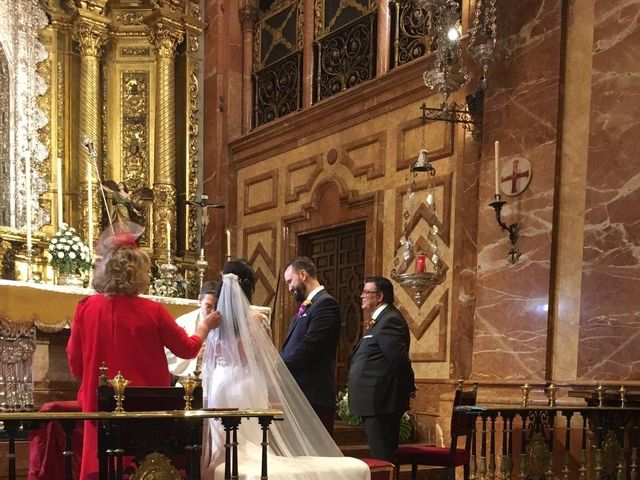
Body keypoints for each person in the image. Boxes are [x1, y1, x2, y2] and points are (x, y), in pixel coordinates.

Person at [66, 222, 221, 479]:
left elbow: (75, 365)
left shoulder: (86, 308)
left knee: (101, 466)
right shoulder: (153, 311)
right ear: (139, 272)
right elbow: (187, 348)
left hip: (99, 406)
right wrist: (204, 325)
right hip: (146, 411)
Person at [201, 271, 370, 480]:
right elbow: (262, 356)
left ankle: (226, 461)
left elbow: (208, 355)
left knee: (229, 434)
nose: (289, 286)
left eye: (290, 281)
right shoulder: (256, 319)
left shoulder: (214, 323)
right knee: (248, 433)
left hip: (225, 382)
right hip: (246, 381)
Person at [347, 276, 415, 462]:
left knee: (382, 457)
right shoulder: (380, 320)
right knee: (380, 456)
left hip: (382, 403)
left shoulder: (390, 320)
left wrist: (407, 389)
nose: (362, 295)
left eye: (367, 292)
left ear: (380, 296)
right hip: (375, 403)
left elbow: (399, 361)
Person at [281, 256, 341, 435]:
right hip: (299, 395)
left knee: (316, 459)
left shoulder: (326, 304)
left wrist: (276, 366)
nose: (289, 287)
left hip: (314, 396)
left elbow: (310, 346)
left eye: (290, 281)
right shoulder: (308, 306)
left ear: (303, 274)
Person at [166, 280, 220, 378]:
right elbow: (169, 355)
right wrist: (195, 355)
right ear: (199, 300)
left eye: (216, 307)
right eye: (208, 306)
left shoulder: (225, 323)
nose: (213, 311)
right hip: (188, 379)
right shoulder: (183, 322)